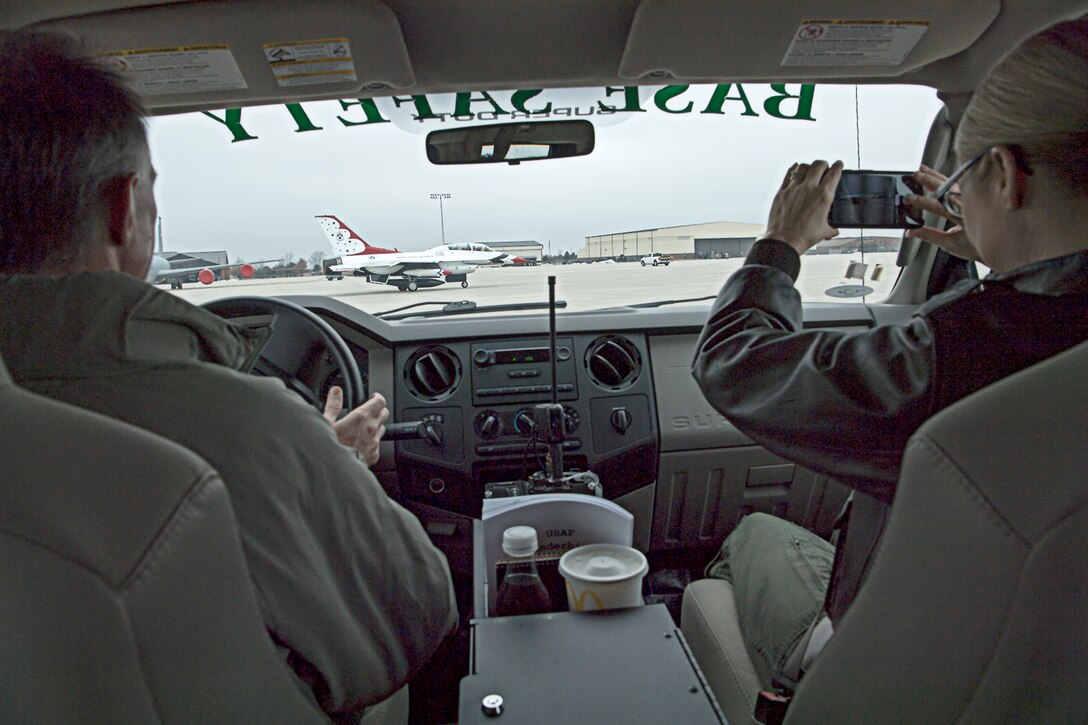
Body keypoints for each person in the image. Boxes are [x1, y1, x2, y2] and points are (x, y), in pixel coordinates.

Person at [0, 33, 457, 718]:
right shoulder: (261, 428)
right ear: (125, 207)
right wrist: (331, 465)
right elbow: (420, 612)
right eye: (153, 192)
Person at [691, 18, 1088, 689]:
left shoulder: (961, 355)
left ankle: (788, 691)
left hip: (906, 669)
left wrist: (780, 245)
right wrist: (998, 250)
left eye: (966, 175)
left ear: (1004, 175)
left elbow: (732, 361)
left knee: (752, 536)